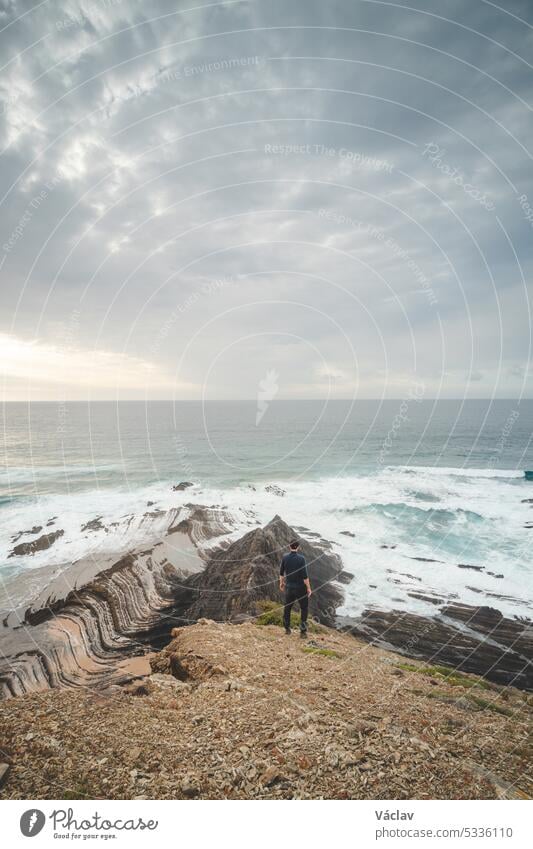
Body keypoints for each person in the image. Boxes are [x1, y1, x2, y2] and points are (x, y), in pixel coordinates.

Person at [279, 539, 312, 637]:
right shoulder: (301, 559)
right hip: (300, 588)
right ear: (298, 547)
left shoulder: (285, 557)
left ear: (289, 546)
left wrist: (281, 583)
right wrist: (309, 588)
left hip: (289, 587)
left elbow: (281, 573)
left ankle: (287, 629)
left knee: (287, 608)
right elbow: (305, 576)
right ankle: (302, 632)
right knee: (304, 609)